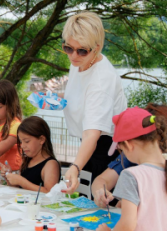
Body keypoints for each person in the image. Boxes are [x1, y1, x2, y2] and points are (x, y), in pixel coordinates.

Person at [60, 11, 127, 195]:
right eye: (68, 48)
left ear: (97, 47)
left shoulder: (101, 80)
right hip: (88, 143)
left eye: (81, 50)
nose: (74, 55)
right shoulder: (80, 61)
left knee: (98, 204)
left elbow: (93, 134)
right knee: (83, 201)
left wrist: (74, 166)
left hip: (106, 149)